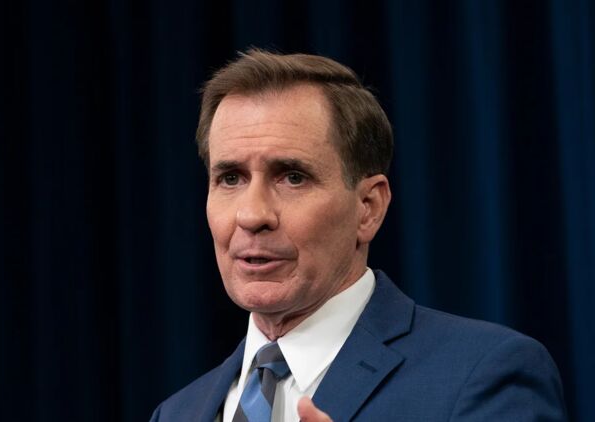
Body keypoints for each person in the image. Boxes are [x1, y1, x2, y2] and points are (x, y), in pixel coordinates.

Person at [150, 49, 567, 422]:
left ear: (368, 207)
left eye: (293, 177)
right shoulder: (176, 413)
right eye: (230, 178)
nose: (252, 214)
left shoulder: (484, 374)